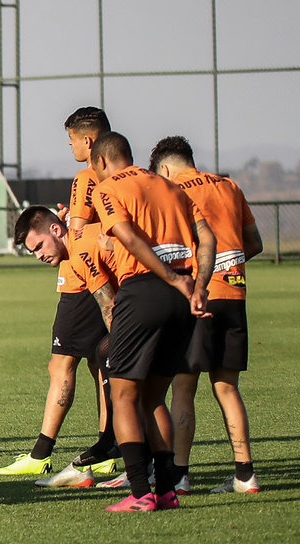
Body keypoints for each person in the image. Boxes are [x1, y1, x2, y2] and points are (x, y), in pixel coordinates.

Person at [87, 131, 213, 512]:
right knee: (155, 397)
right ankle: (168, 490)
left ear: (104, 161)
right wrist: (197, 286)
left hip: (145, 292)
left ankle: (141, 492)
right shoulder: (171, 186)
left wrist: (171, 278)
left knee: (123, 393)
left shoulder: (108, 189)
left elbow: (126, 235)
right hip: (182, 298)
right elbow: (207, 237)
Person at [0, 107, 122, 483]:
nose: (70, 147)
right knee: (102, 364)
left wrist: (71, 224)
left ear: (87, 141)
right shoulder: (119, 180)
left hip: (82, 278)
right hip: (104, 273)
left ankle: (42, 453)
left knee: (63, 365)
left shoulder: (87, 176)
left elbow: (79, 233)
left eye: (71, 140)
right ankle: (108, 447)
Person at [150, 136, 261, 494]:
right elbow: (254, 243)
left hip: (196, 296)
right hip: (234, 292)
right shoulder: (229, 185)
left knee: (184, 386)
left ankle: (179, 475)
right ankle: (245, 475)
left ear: (164, 168)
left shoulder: (170, 190)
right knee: (227, 388)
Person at [11, 205, 119, 490]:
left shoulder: (82, 245)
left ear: (57, 230)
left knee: (132, 379)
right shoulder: (80, 245)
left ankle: (145, 469)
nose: (38, 256)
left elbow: (110, 304)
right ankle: (114, 449)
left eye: (38, 247)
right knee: (105, 359)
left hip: (146, 294)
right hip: (143, 290)